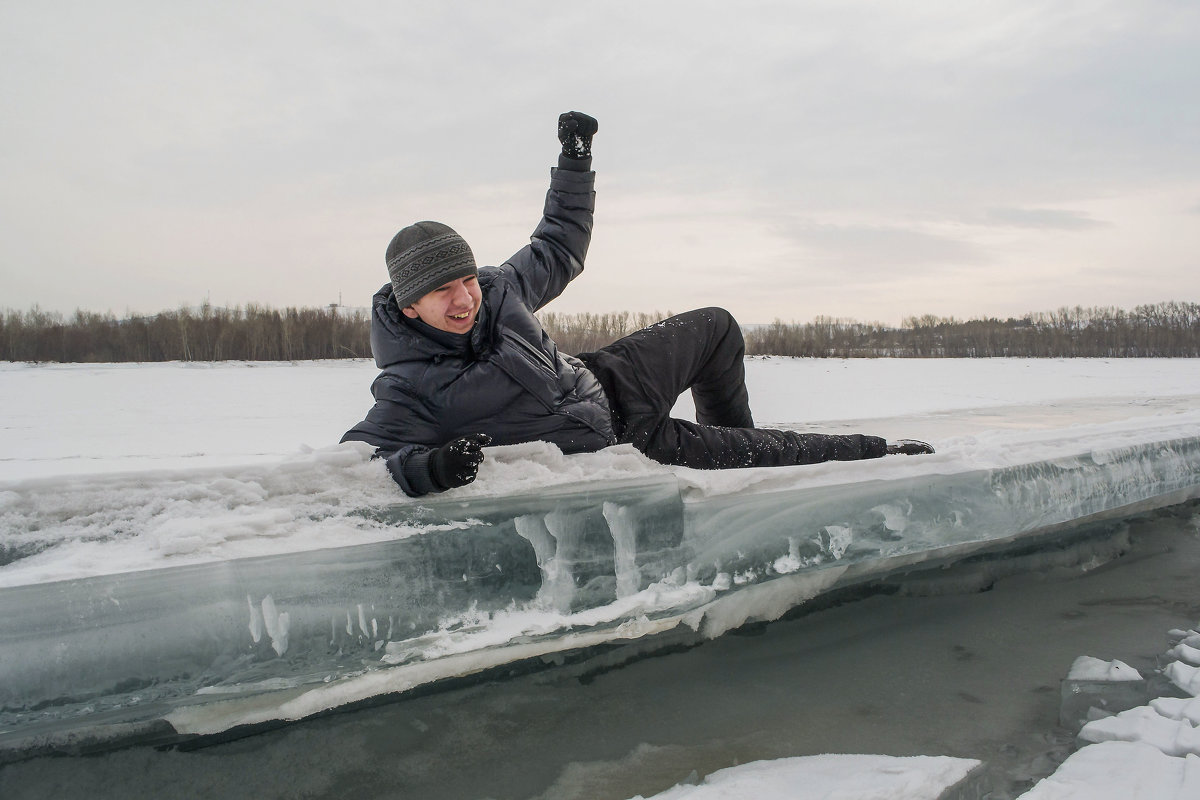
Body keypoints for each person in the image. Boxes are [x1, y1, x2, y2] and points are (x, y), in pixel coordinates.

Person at [342, 111, 933, 497]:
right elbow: (357, 463)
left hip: (609, 378)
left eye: (466, 279)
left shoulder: (501, 290)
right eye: (443, 290)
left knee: (718, 328)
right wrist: (429, 469)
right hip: (618, 443)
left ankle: (738, 461)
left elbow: (558, 245)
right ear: (410, 306)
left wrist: (575, 161)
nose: (465, 297)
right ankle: (858, 453)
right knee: (793, 450)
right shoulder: (408, 388)